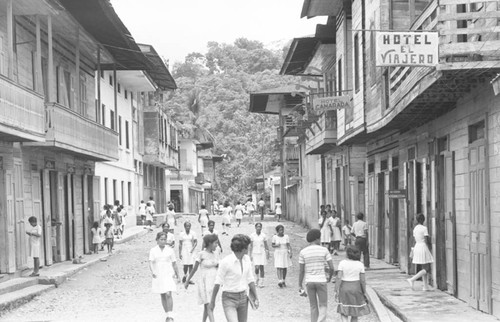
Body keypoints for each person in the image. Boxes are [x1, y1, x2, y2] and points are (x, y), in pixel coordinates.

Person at [209, 234, 259, 322]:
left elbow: (250, 280)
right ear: (243, 248)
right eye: (247, 247)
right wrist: (212, 301)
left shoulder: (247, 259)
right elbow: (218, 282)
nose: (249, 249)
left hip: (243, 298)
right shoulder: (226, 262)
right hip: (229, 298)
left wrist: (256, 296)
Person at [298, 229, 334, 322]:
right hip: (321, 280)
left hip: (309, 281)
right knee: (323, 305)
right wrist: (329, 278)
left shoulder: (303, 252)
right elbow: (331, 267)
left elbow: (301, 271)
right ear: (317, 238)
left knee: (313, 306)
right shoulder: (324, 250)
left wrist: (299, 284)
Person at [184, 234, 220, 322]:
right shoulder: (201, 254)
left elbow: (219, 268)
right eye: (215, 243)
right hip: (204, 282)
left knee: (210, 304)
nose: (217, 245)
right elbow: (194, 269)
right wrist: (187, 280)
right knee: (208, 305)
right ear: (210, 243)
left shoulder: (216, 254)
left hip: (213, 282)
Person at [149, 232, 181, 322]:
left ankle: (171, 315)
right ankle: (167, 314)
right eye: (161, 239)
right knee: (162, 294)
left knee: (168, 293)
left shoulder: (170, 250)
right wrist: (153, 271)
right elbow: (151, 262)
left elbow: (174, 263)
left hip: (168, 273)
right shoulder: (153, 250)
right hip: (159, 274)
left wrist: (178, 275)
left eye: (164, 239)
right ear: (157, 240)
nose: (163, 241)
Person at [335, 246, 371, 322]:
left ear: (347, 254)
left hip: (344, 287)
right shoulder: (360, 264)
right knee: (355, 312)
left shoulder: (342, 263)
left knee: (343, 311)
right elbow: (363, 280)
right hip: (356, 288)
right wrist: (364, 292)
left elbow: (339, 277)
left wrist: (336, 289)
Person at [407, 213, 434, 291]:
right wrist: (430, 248)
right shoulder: (424, 228)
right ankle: (412, 279)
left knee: (423, 267)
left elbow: (414, 239)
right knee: (427, 268)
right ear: (423, 220)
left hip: (417, 246)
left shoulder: (415, 228)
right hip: (423, 247)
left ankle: (425, 286)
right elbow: (426, 239)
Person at [249, 223, 269, 288]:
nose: (259, 228)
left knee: (261, 267)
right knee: (256, 267)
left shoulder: (263, 235)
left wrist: (267, 252)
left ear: (261, 228)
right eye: (257, 227)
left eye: (260, 227)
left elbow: (266, 245)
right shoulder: (252, 235)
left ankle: (261, 282)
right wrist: (250, 254)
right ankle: (257, 278)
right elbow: (251, 246)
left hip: (262, 252)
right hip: (255, 252)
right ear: (255, 227)